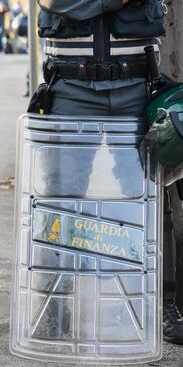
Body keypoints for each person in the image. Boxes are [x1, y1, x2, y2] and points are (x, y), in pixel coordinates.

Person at [32, 0, 183, 344]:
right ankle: (55, 303)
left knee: (147, 195)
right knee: (61, 201)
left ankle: (161, 304)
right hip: (69, 84)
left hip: (137, 81)